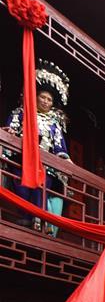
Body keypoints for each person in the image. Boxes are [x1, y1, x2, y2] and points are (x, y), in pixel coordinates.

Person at [2, 60, 72, 236]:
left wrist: (65, 159)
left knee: (42, 189)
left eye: (49, 99)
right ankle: (25, 216)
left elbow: (59, 146)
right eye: (43, 97)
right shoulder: (22, 112)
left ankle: (39, 220)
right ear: (35, 97)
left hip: (45, 165)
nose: (46, 101)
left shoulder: (54, 123)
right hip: (22, 159)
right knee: (21, 184)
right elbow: (12, 129)